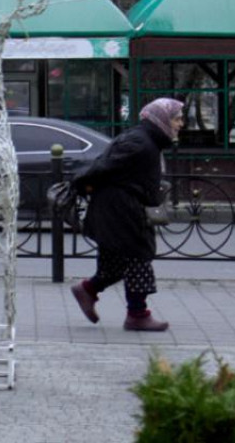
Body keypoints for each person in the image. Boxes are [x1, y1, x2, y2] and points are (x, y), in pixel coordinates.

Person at [70, 97, 184, 332]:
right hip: (120, 210)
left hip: (120, 208)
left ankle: (88, 290)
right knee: (139, 257)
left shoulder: (148, 140)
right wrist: (80, 183)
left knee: (115, 264)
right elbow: (104, 166)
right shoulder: (139, 142)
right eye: (177, 119)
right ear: (162, 119)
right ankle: (137, 315)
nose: (181, 124)